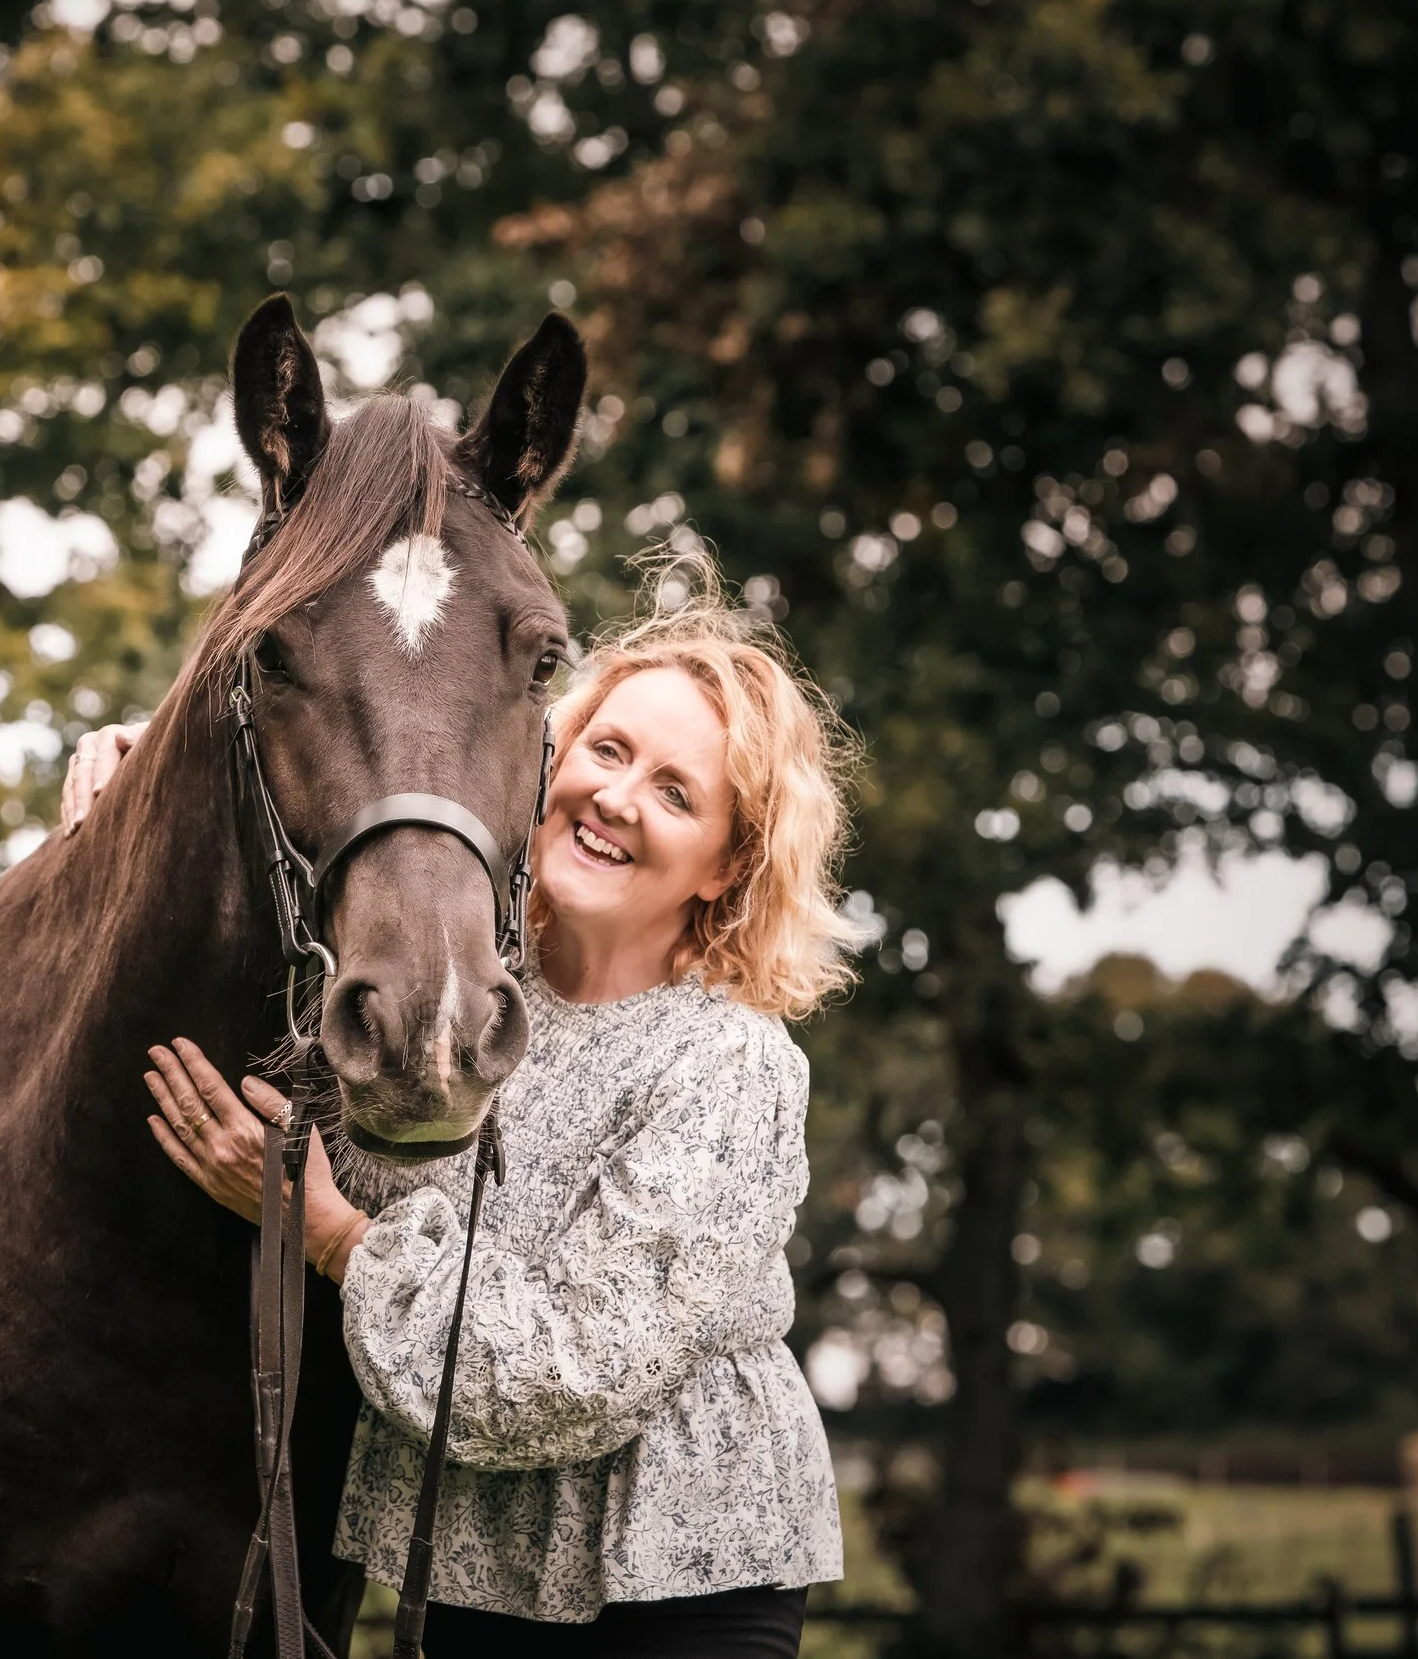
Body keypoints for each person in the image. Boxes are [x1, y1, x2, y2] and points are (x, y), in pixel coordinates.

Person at [63, 585, 861, 1658]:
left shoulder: (730, 1063)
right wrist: (144, 777)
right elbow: (253, 885)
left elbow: (567, 1370)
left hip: (678, 1589)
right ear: (541, 758)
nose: (618, 796)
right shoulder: (443, 993)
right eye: (606, 749)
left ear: (726, 866)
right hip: (472, 1564)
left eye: (676, 792)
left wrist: (334, 1232)